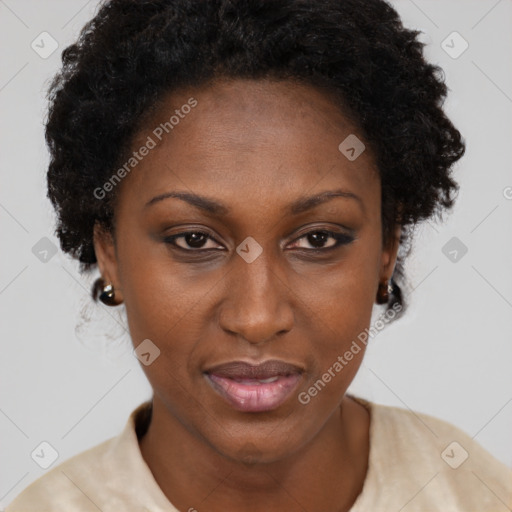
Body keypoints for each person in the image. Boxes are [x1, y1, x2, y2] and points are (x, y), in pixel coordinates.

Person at [7, 0, 512, 510]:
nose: (256, 318)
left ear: (387, 247)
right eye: (193, 240)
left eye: (318, 239)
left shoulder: (472, 494)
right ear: (109, 252)